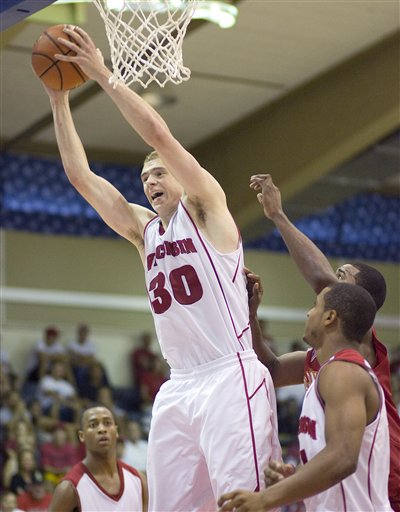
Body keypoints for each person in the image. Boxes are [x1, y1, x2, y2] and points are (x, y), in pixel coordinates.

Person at [37, 25, 281, 511]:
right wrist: (58, 98)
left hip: (228, 376)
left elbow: (158, 135)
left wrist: (100, 73)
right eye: (144, 177)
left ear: (182, 177)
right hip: (178, 384)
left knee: (242, 501)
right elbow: (80, 178)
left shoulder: (208, 208)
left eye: (159, 173)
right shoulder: (143, 231)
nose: (150, 181)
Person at [247, 173, 400, 511]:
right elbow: (270, 369)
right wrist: (251, 315)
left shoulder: (358, 347)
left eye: (341, 276)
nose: (331, 281)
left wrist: (277, 216)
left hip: (386, 485)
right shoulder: (323, 358)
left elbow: (321, 281)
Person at [218, 283, 392, 511]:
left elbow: (342, 457)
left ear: (330, 317)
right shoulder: (328, 370)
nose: (309, 313)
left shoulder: (344, 371)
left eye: (315, 306)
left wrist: (265, 498)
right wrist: (293, 479)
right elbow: (269, 370)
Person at [49, 406, 147, 512]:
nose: (102, 429)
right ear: (82, 436)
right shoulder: (69, 488)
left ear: (116, 431)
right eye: (93, 425)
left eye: (107, 423)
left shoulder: (138, 479)